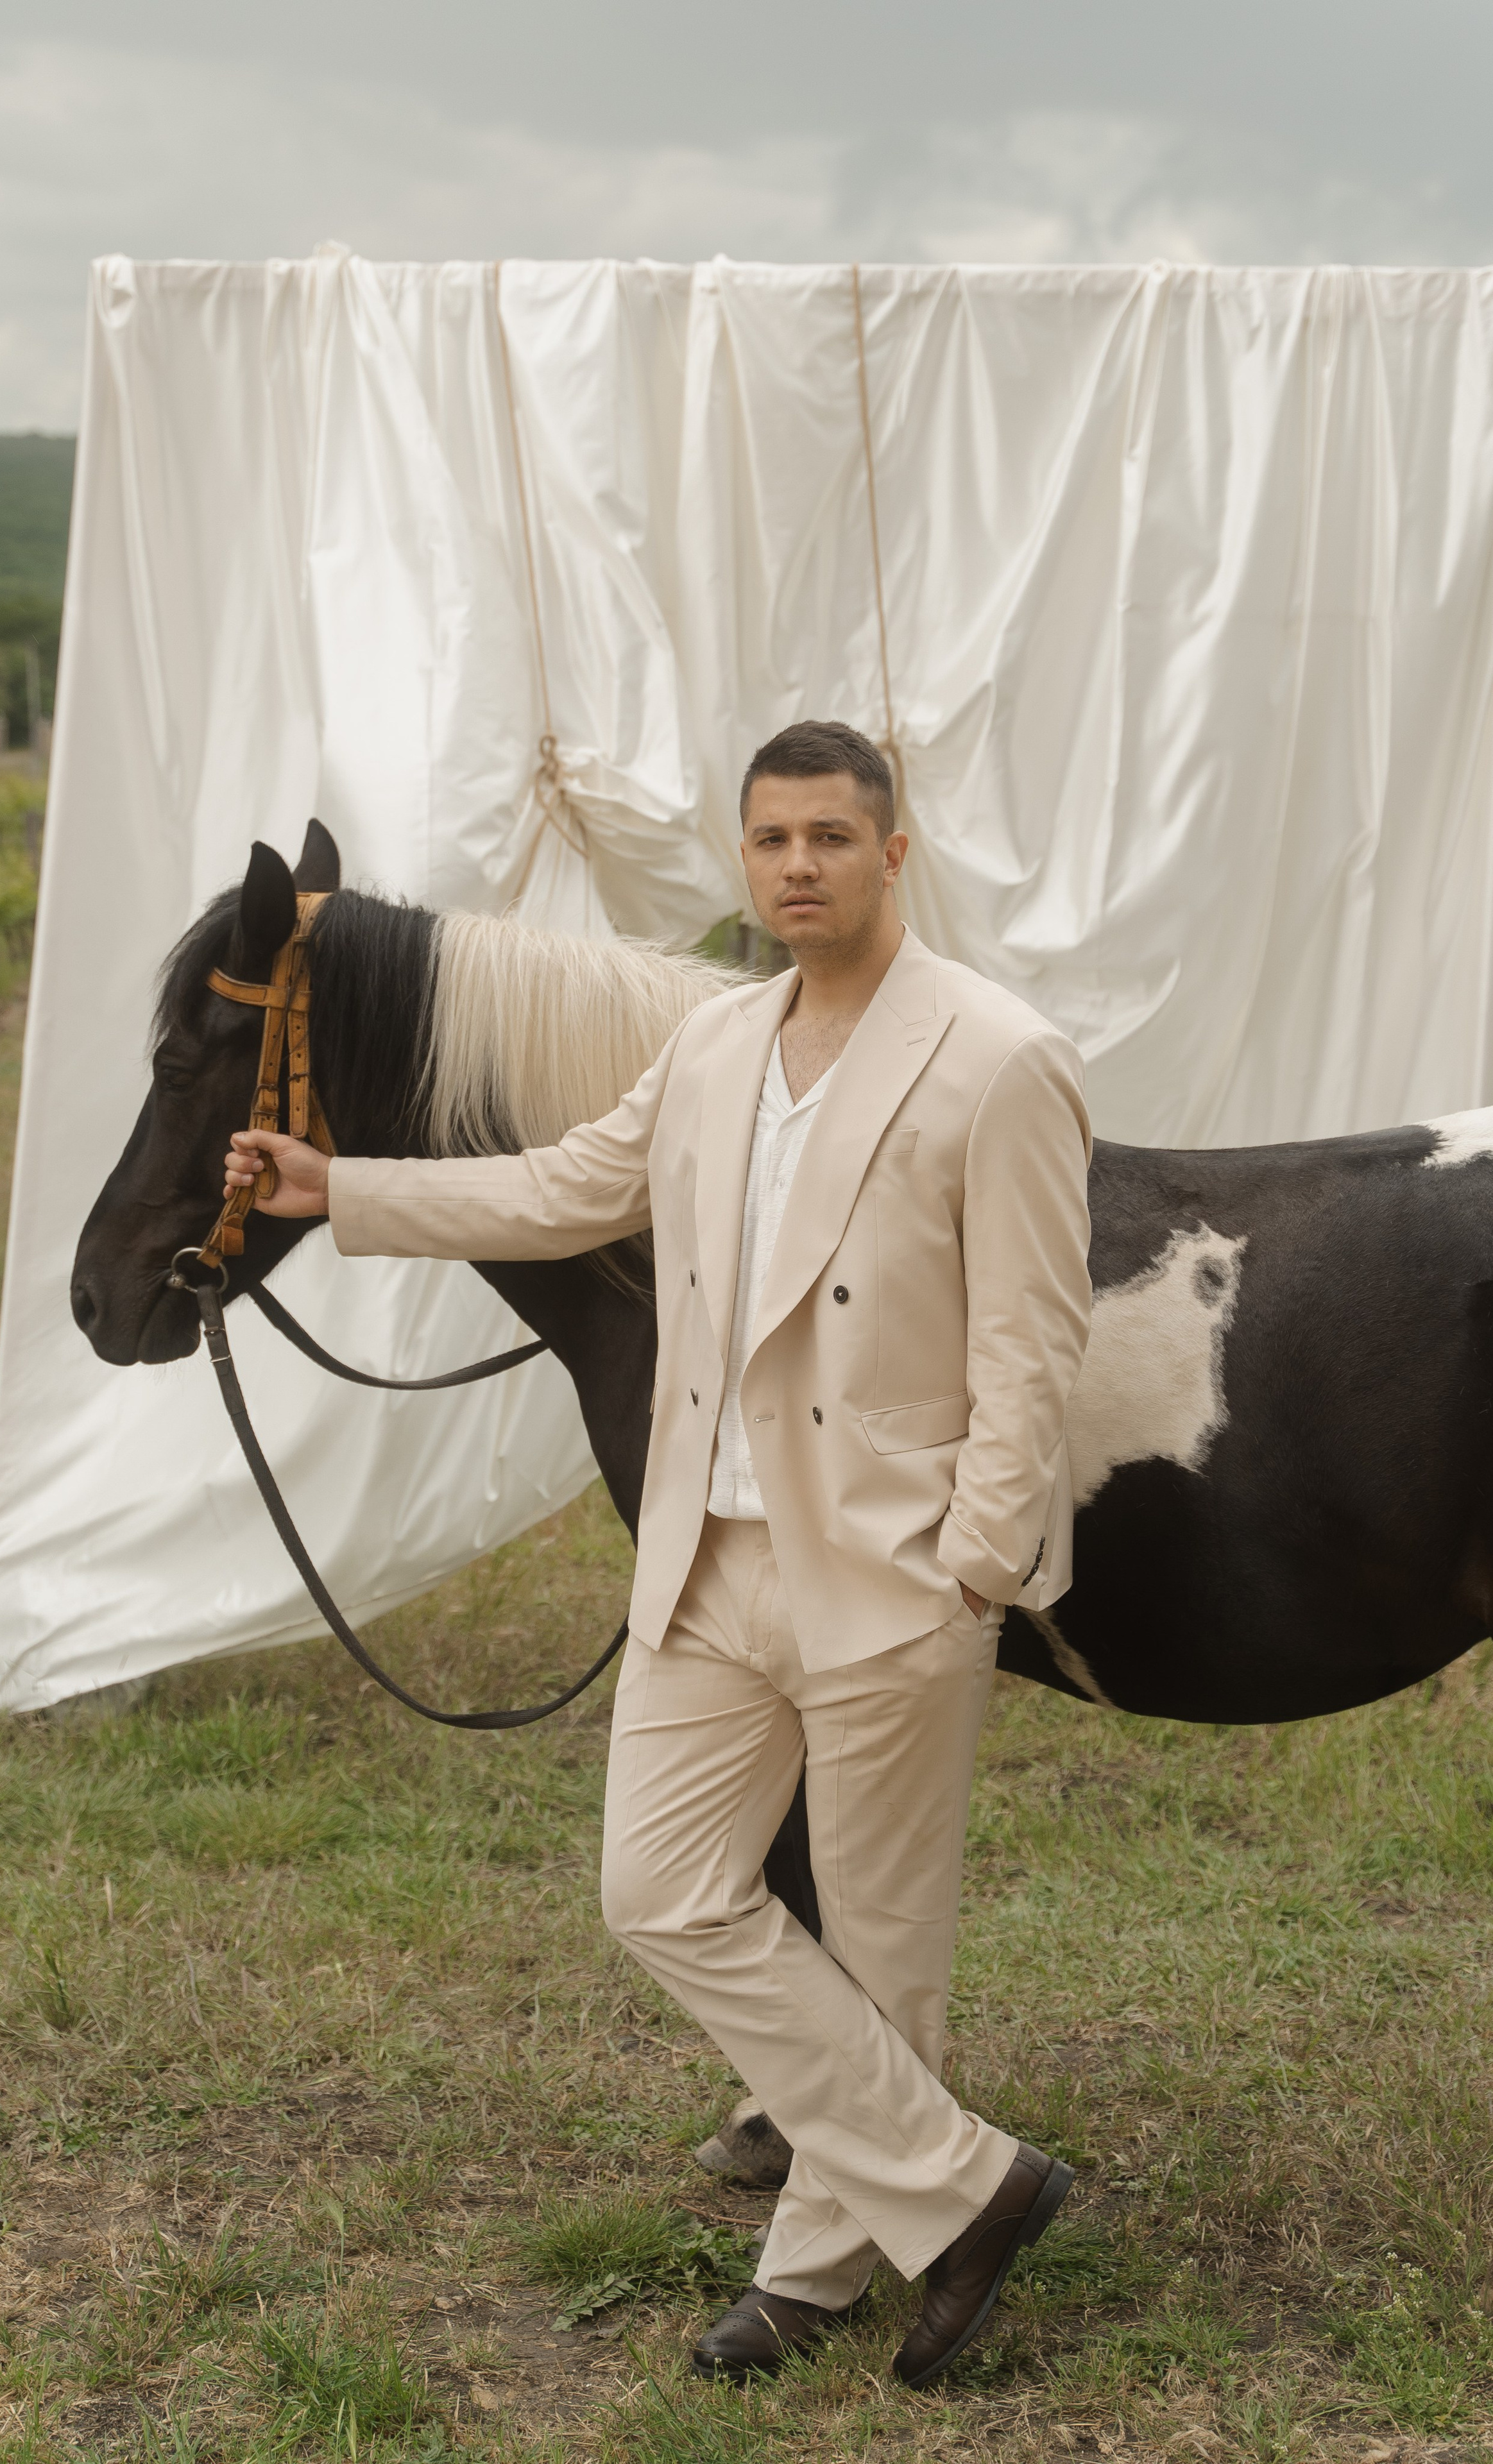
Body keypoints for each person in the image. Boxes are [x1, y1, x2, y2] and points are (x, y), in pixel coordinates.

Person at [223, 720, 1093, 2390]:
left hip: (889, 1564)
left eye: (832, 837)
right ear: (747, 859)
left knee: (884, 1947)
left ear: (892, 854)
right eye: (771, 839)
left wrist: (975, 1560)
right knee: (662, 1888)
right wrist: (343, 1189)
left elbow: (1033, 1342)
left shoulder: (999, 1056)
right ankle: (974, 2183)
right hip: (707, 1562)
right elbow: (564, 1185)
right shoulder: (710, 1048)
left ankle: (817, 2274)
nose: (798, 866)